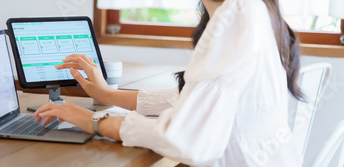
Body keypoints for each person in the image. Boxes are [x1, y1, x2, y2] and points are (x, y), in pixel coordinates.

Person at [33, 0, 303, 166]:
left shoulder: (237, 16)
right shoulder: (253, 8)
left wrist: (95, 121)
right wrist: (108, 94)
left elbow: (183, 138)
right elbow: (193, 100)